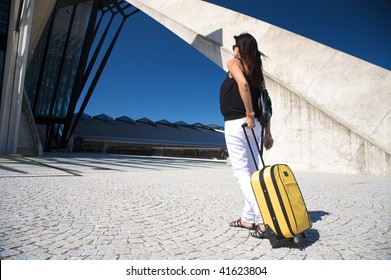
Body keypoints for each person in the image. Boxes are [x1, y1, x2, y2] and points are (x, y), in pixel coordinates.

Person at [219, 33, 274, 239]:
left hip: (238, 123)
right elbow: (266, 104)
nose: (233, 48)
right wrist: (267, 133)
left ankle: (263, 220)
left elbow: (241, 84)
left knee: (241, 173)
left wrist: (248, 115)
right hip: (255, 126)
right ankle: (247, 219)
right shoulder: (257, 73)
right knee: (252, 174)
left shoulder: (235, 63)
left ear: (240, 48)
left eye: (235, 44)